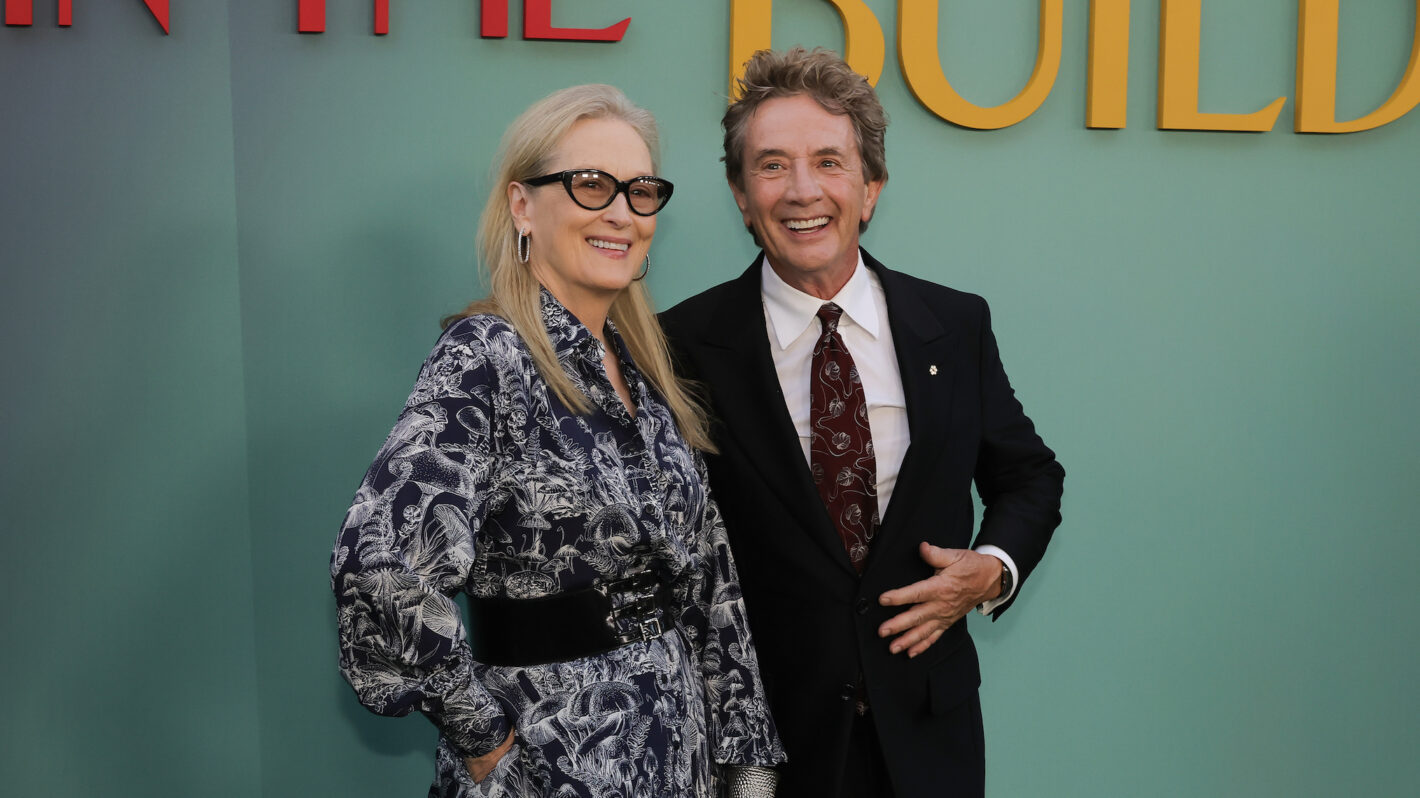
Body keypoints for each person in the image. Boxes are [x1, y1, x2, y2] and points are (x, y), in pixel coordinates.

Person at [332, 84, 784, 798]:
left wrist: (749, 771)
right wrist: (490, 749)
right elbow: (380, 571)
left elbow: (711, 589)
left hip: (682, 765)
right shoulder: (486, 357)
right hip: (551, 769)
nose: (621, 212)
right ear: (523, 205)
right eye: (590, 185)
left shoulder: (649, 373)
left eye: (641, 191)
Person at [660, 49, 1065, 798]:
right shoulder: (679, 346)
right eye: (772, 166)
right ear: (740, 195)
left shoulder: (953, 322)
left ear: (871, 187)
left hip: (928, 736)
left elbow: (1029, 476)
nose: (802, 191)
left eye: (829, 162)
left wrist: (990, 570)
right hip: (763, 748)